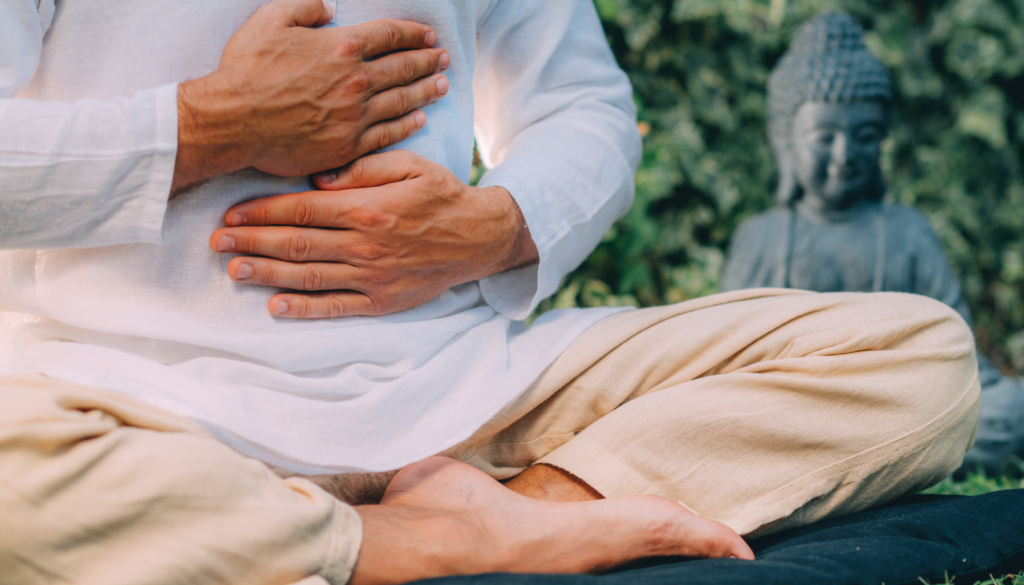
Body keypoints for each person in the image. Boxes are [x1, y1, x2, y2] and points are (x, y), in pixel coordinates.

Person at [0, 2, 980, 583]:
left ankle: (516, 511)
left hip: (458, 392)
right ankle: (408, 544)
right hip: (122, 396)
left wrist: (497, 223)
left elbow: (581, 107)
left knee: (918, 357)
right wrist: (210, 126)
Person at [720, 11, 1024, 474]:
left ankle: (855, 462)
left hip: (898, 409)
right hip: (791, 415)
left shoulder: (908, 231)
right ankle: (887, 463)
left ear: (881, 141)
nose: (844, 156)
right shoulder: (761, 237)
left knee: (1011, 408)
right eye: (824, 137)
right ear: (786, 141)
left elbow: (959, 353)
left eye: (863, 136)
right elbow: (724, 364)